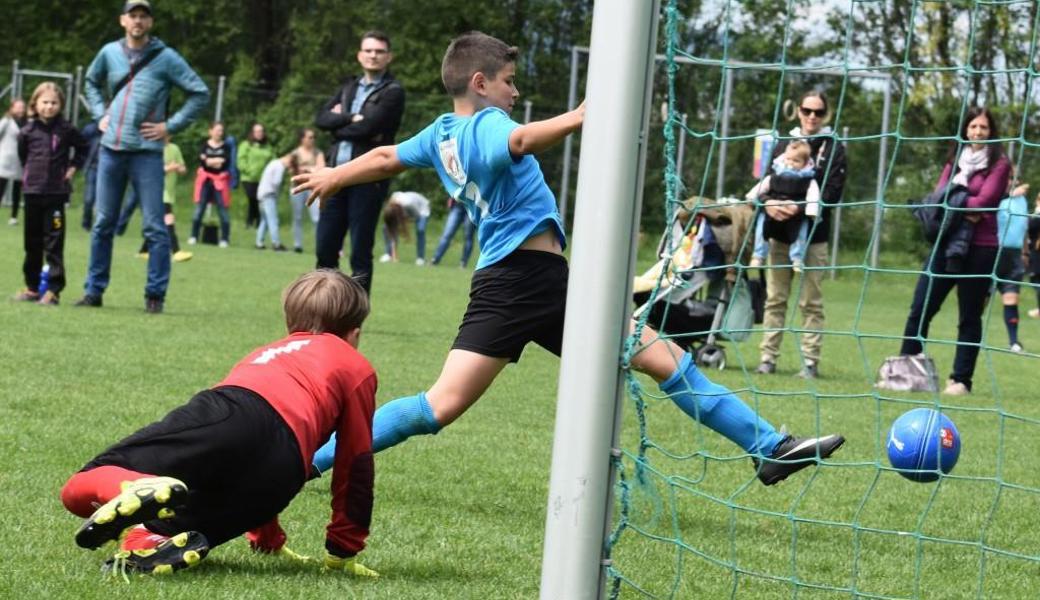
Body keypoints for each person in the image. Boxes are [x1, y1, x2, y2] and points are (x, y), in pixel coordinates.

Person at [295, 31, 844, 488]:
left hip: (534, 283)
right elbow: (522, 141)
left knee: (660, 358)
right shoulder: (487, 126)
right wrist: (583, 115)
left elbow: (389, 155)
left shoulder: (442, 133)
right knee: (441, 405)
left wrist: (334, 175)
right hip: (522, 283)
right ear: (480, 83)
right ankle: (304, 461)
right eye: (508, 82)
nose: (514, 92)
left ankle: (770, 447)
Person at [60, 270, 380, 578]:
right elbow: (355, 464)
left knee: (80, 485)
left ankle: (129, 486)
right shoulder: (356, 365)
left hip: (228, 413)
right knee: (190, 521)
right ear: (355, 334)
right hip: (284, 471)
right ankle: (145, 546)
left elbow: (250, 430)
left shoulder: (267, 353)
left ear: (289, 322)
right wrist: (342, 550)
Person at [77, 0, 209, 314]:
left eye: (143, 16)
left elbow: (200, 92)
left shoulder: (165, 57)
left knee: (154, 226)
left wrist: (170, 125)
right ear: (123, 20)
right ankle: (94, 291)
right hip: (111, 150)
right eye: (132, 15)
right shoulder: (109, 52)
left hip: (148, 154)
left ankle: (155, 295)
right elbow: (91, 83)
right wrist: (99, 114)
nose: (137, 21)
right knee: (103, 223)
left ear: (149, 23)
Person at [898, 106, 1010, 396]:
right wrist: (963, 204)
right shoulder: (954, 161)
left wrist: (957, 201)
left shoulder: (1000, 164)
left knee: (969, 317)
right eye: (973, 127)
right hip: (946, 245)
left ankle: (961, 380)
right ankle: (907, 371)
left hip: (981, 249)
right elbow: (938, 200)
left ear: (991, 132)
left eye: (983, 127)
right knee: (920, 307)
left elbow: (986, 201)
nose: (977, 132)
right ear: (965, 130)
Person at [756, 90, 847, 379]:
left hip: (813, 236)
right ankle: (767, 358)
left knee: (811, 301)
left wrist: (799, 207)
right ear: (798, 111)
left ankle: (810, 362)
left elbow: (833, 192)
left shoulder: (834, 148)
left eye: (818, 112)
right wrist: (770, 204)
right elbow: (764, 182)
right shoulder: (782, 142)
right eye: (807, 110)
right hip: (779, 233)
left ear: (825, 116)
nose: (812, 116)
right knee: (775, 298)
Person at [314, 30, 405, 292]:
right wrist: (350, 119)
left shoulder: (393, 92)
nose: (373, 55)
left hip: (368, 178)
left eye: (378, 51)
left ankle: (354, 319)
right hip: (334, 176)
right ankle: (322, 311)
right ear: (359, 55)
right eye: (368, 50)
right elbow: (321, 119)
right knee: (325, 248)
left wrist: (338, 124)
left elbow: (369, 128)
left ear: (388, 57)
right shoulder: (348, 87)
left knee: (360, 252)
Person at [12, 83, 88, 305]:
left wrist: (73, 168)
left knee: (54, 243)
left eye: (54, 103)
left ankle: (53, 290)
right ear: (35, 104)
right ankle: (32, 287)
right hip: (32, 192)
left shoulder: (67, 129)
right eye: (45, 102)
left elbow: (84, 147)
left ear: (60, 105)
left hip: (56, 194)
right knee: (32, 242)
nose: (49, 107)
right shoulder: (26, 131)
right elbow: (23, 156)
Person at [746, 140, 820, 273]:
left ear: (804, 163)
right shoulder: (775, 175)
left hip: (796, 214)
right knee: (761, 229)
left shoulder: (808, 180)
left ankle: (797, 258)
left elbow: (813, 195)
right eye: (788, 159)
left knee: (801, 232)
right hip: (773, 210)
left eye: (796, 161)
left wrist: (811, 211)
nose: (790, 163)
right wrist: (752, 197)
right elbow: (762, 186)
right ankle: (758, 255)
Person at [136, 135, 192, 262]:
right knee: (168, 219)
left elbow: (183, 168)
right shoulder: (153, 149)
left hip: (169, 192)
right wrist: (168, 168)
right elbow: (150, 171)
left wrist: (179, 168)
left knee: (157, 222)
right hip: (156, 190)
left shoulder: (174, 148)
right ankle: (176, 251)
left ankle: (143, 250)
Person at [994, 180, 1030, 353]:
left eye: (1014, 177)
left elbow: (1023, 227)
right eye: (1008, 177)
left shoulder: (1022, 200)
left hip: (1014, 256)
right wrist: (1008, 194)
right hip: (993, 253)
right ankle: (969, 337)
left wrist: (1025, 252)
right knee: (979, 302)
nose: (1012, 181)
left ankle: (1013, 342)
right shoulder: (994, 198)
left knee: (1011, 299)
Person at [188, 122, 232, 247]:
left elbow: (224, 163)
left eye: (221, 131)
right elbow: (203, 162)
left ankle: (224, 239)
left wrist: (210, 161)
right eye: (217, 130)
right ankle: (193, 236)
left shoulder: (226, 147)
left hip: (220, 182)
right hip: (205, 181)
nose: (219, 133)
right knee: (199, 209)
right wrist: (215, 161)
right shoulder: (204, 145)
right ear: (211, 131)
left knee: (223, 210)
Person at [288, 128, 325, 253]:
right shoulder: (295, 153)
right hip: (297, 188)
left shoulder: (317, 153)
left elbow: (321, 168)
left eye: (313, 137)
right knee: (297, 217)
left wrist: (307, 169)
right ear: (302, 139)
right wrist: (310, 169)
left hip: (312, 188)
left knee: (317, 217)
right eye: (309, 137)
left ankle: (320, 245)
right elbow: (291, 170)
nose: (312, 140)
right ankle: (297, 245)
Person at [238, 122, 274, 228]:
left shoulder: (267, 146)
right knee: (252, 198)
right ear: (253, 133)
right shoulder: (246, 145)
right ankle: (254, 219)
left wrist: (270, 173)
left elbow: (273, 160)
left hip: (263, 179)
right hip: (248, 178)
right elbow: (241, 160)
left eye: (261, 131)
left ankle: (254, 221)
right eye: (257, 131)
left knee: (258, 199)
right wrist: (248, 170)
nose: (259, 133)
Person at [380, 190, 430, 265]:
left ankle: (420, 258)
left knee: (420, 230)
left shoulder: (408, 204)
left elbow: (416, 216)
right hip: (405, 209)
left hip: (421, 208)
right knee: (385, 227)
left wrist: (404, 221)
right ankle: (388, 254)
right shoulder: (393, 199)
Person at [255, 153, 292, 251]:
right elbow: (276, 182)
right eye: (290, 164)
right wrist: (277, 193)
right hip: (269, 195)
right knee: (273, 220)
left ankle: (259, 242)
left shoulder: (273, 162)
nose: (289, 167)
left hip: (261, 194)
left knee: (265, 220)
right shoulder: (280, 166)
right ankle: (276, 244)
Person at [0, 98, 26, 226]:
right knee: (1, 188)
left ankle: (14, 217)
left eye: (22, 107)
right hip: (5, 160)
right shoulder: (6, 121)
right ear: (12, 108)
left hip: (19, 161)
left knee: (17, 190)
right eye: (18, 107)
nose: (21, 109)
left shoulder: (27, 123)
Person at [431, 197, 477, 267]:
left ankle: (463, 263)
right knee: (447, 234)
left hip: (472, 207)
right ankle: (435, 259)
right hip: (457, 205)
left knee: (468, 236)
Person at [1029, 194, 1040, 320]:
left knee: (1037, 281)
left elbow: (1031, 227)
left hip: (1037, 253)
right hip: (1035, 251)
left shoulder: (1037, 216)